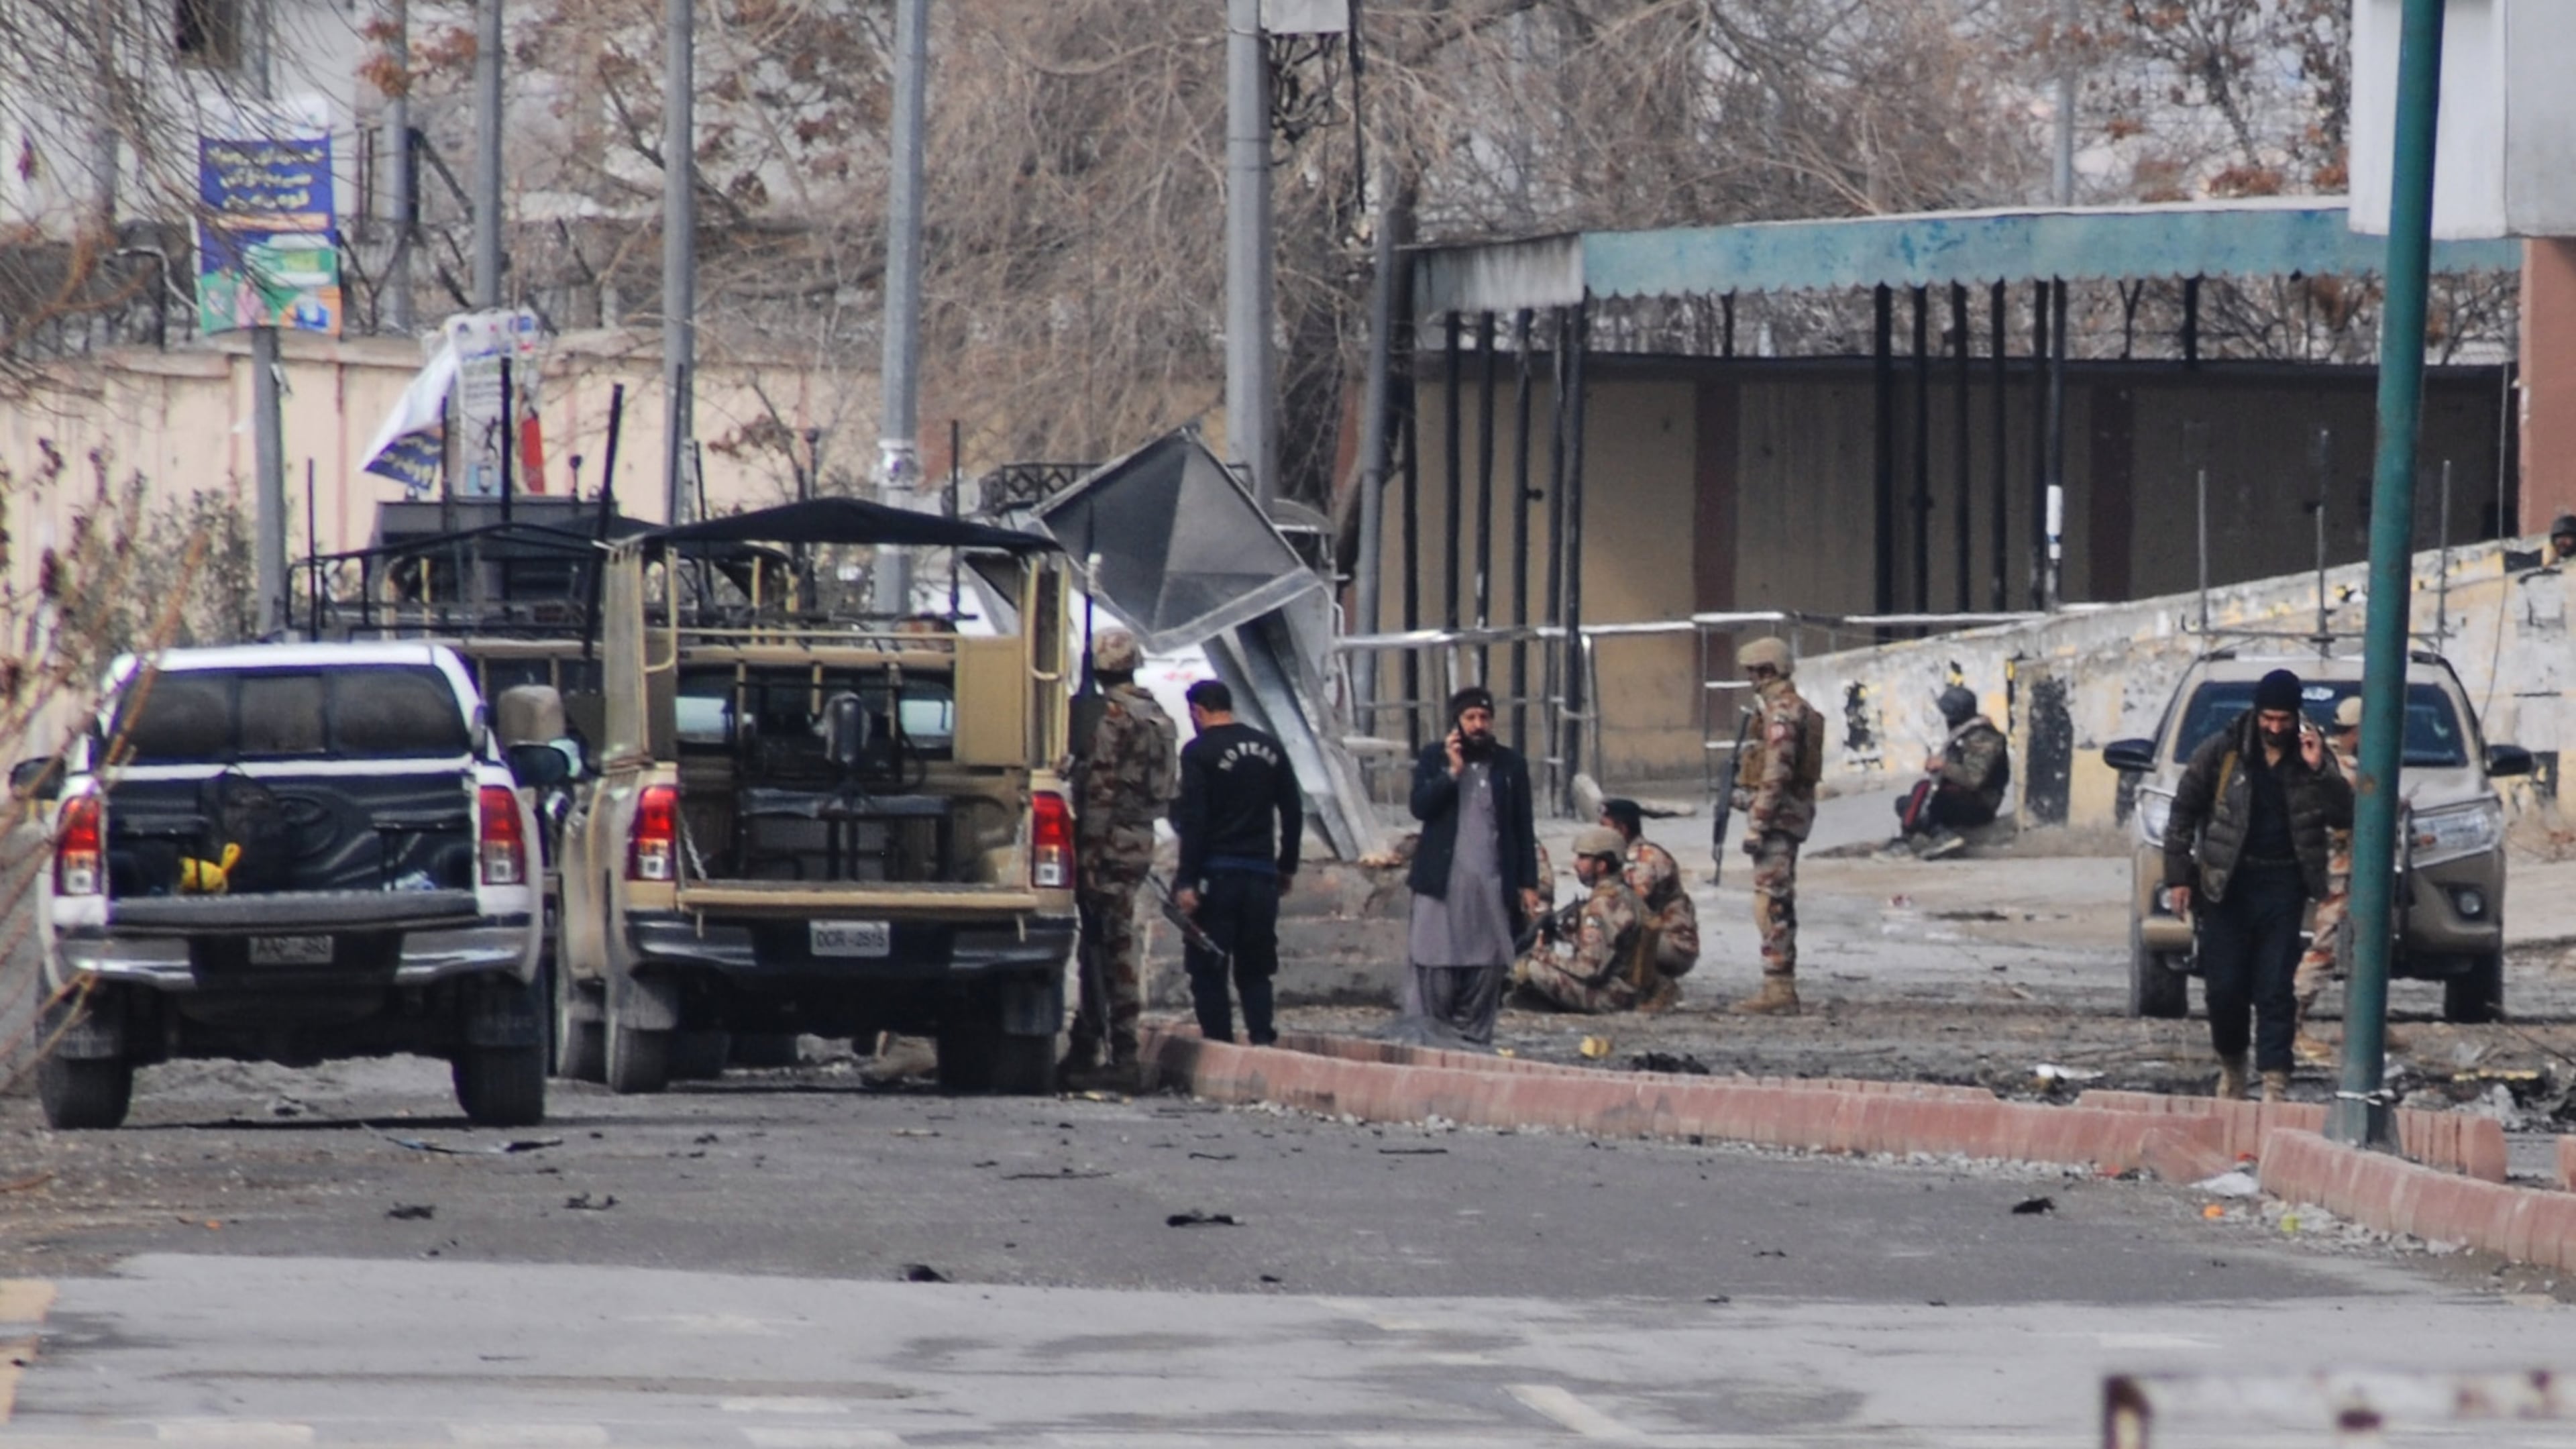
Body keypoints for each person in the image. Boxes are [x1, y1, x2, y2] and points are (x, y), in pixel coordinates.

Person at [2163, 667, 2353, 1103]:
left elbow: (2345, 815)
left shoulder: (2312, 758)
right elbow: (2183, 813)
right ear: (2256, 712)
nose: (2275, 728)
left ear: (2295, 716)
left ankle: (2274, 1080)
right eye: (2268, 718)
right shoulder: (2223, 752)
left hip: (2283, 885)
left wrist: (2319, 768)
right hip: (2226, 886)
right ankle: (2232, 1066)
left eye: (2283, 719)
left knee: (2274, 988)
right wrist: (2179, 876)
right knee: (2225, 989)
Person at [1065, 629, 1178, 1087]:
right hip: (1140, 838)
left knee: (1111, 948)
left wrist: (1089, 854)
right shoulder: (1159, 717)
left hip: (1108, 842)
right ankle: (1087, 1045)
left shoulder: (1114, 717)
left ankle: (1122, 1055)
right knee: (1102, 942)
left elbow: (1101, 788)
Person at [1405, 686, 1542, 1046]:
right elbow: (1420, 807)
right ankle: (1435, 1045)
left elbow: (1522, 827)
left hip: (1491, 888)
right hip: (1441, 884)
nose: (1478, 725)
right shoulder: (1434, 757)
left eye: (1484, 717)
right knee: (1435, 962)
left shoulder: (1510, 765)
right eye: (1470, 718)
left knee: (1487, 963)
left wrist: (1529, 883)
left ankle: (1475, 1044)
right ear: (1457, 722)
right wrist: (1451, 772)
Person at [1171, 679, 1302, 1046]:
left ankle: (1220, 1044)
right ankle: (1262, 1040)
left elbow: (1195, 819)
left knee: (1208, 966)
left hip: (1217, 876)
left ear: (1198, 711)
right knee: (1256, 967)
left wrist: (1186, 881)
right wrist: (1286, 866)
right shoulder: (1270, 747)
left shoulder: (1198, 752)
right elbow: (1292, 811)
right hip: (1261, 877)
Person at [1731, 637, 1825, 1016]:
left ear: (1767, 671)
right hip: (1787, 814)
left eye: (1754, 673)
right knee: (1774, 899)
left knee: (1772, 902)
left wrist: (1758, 822)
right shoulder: (1787, 708)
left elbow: (1777, 773)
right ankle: (1777, 985)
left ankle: (1778, 988)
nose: (1751, 680)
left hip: (1780, 818)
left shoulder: (1782, 713)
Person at [2292, 696, 2363, 1064]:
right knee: (2325, 949)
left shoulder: (2333, 759)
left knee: (2365, 947)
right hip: (2340, 872)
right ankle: (2291, 1025)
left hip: (2352, 872)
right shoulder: (2343, 766)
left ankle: (2365, 1025)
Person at [1514, 827, 1648, 1014]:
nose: (1576, 864)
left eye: (1583, 858)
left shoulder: (1602, 905)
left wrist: (1541, 954)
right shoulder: (1624, 894)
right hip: (1628, 989)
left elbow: (1589, 971)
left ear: (1601, 865)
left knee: (1533, 969)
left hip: (1611, 997)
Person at [1600, 797, 1697, 1006]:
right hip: (1665, 938)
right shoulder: (1629, 856)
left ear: (1622, 830)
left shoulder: (1644, 859)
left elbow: (1629, 907)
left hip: (1674, 943)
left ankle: (1657, 987)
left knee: (1614, 929)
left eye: (1605, 827)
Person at [1896, 685, 2011, 859]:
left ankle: (1906, 840)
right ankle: (1940, 834)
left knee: (1923, 789)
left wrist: (1944, 766)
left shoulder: (1983, 737)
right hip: (1961, 797)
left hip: (1981, 803)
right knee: (1906, 803)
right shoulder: (1963, 734)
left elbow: (1974, 780)